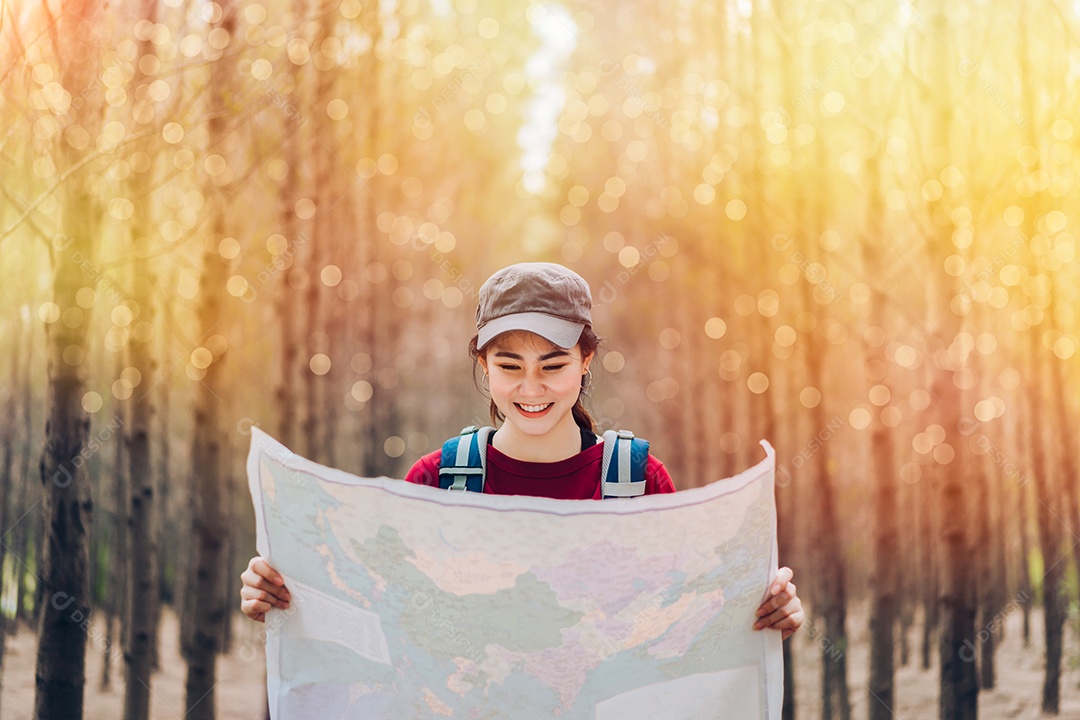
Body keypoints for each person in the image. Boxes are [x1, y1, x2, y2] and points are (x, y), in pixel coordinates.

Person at [241, 262, 804, 639]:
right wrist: (290, 597)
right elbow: (386, 618)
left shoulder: (638, 482)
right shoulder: (438, 482)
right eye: (509, 367)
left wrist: (762, 612)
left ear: (586, 361)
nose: (531, 389)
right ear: (483, 367)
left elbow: (681, 623)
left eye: (553, 366)